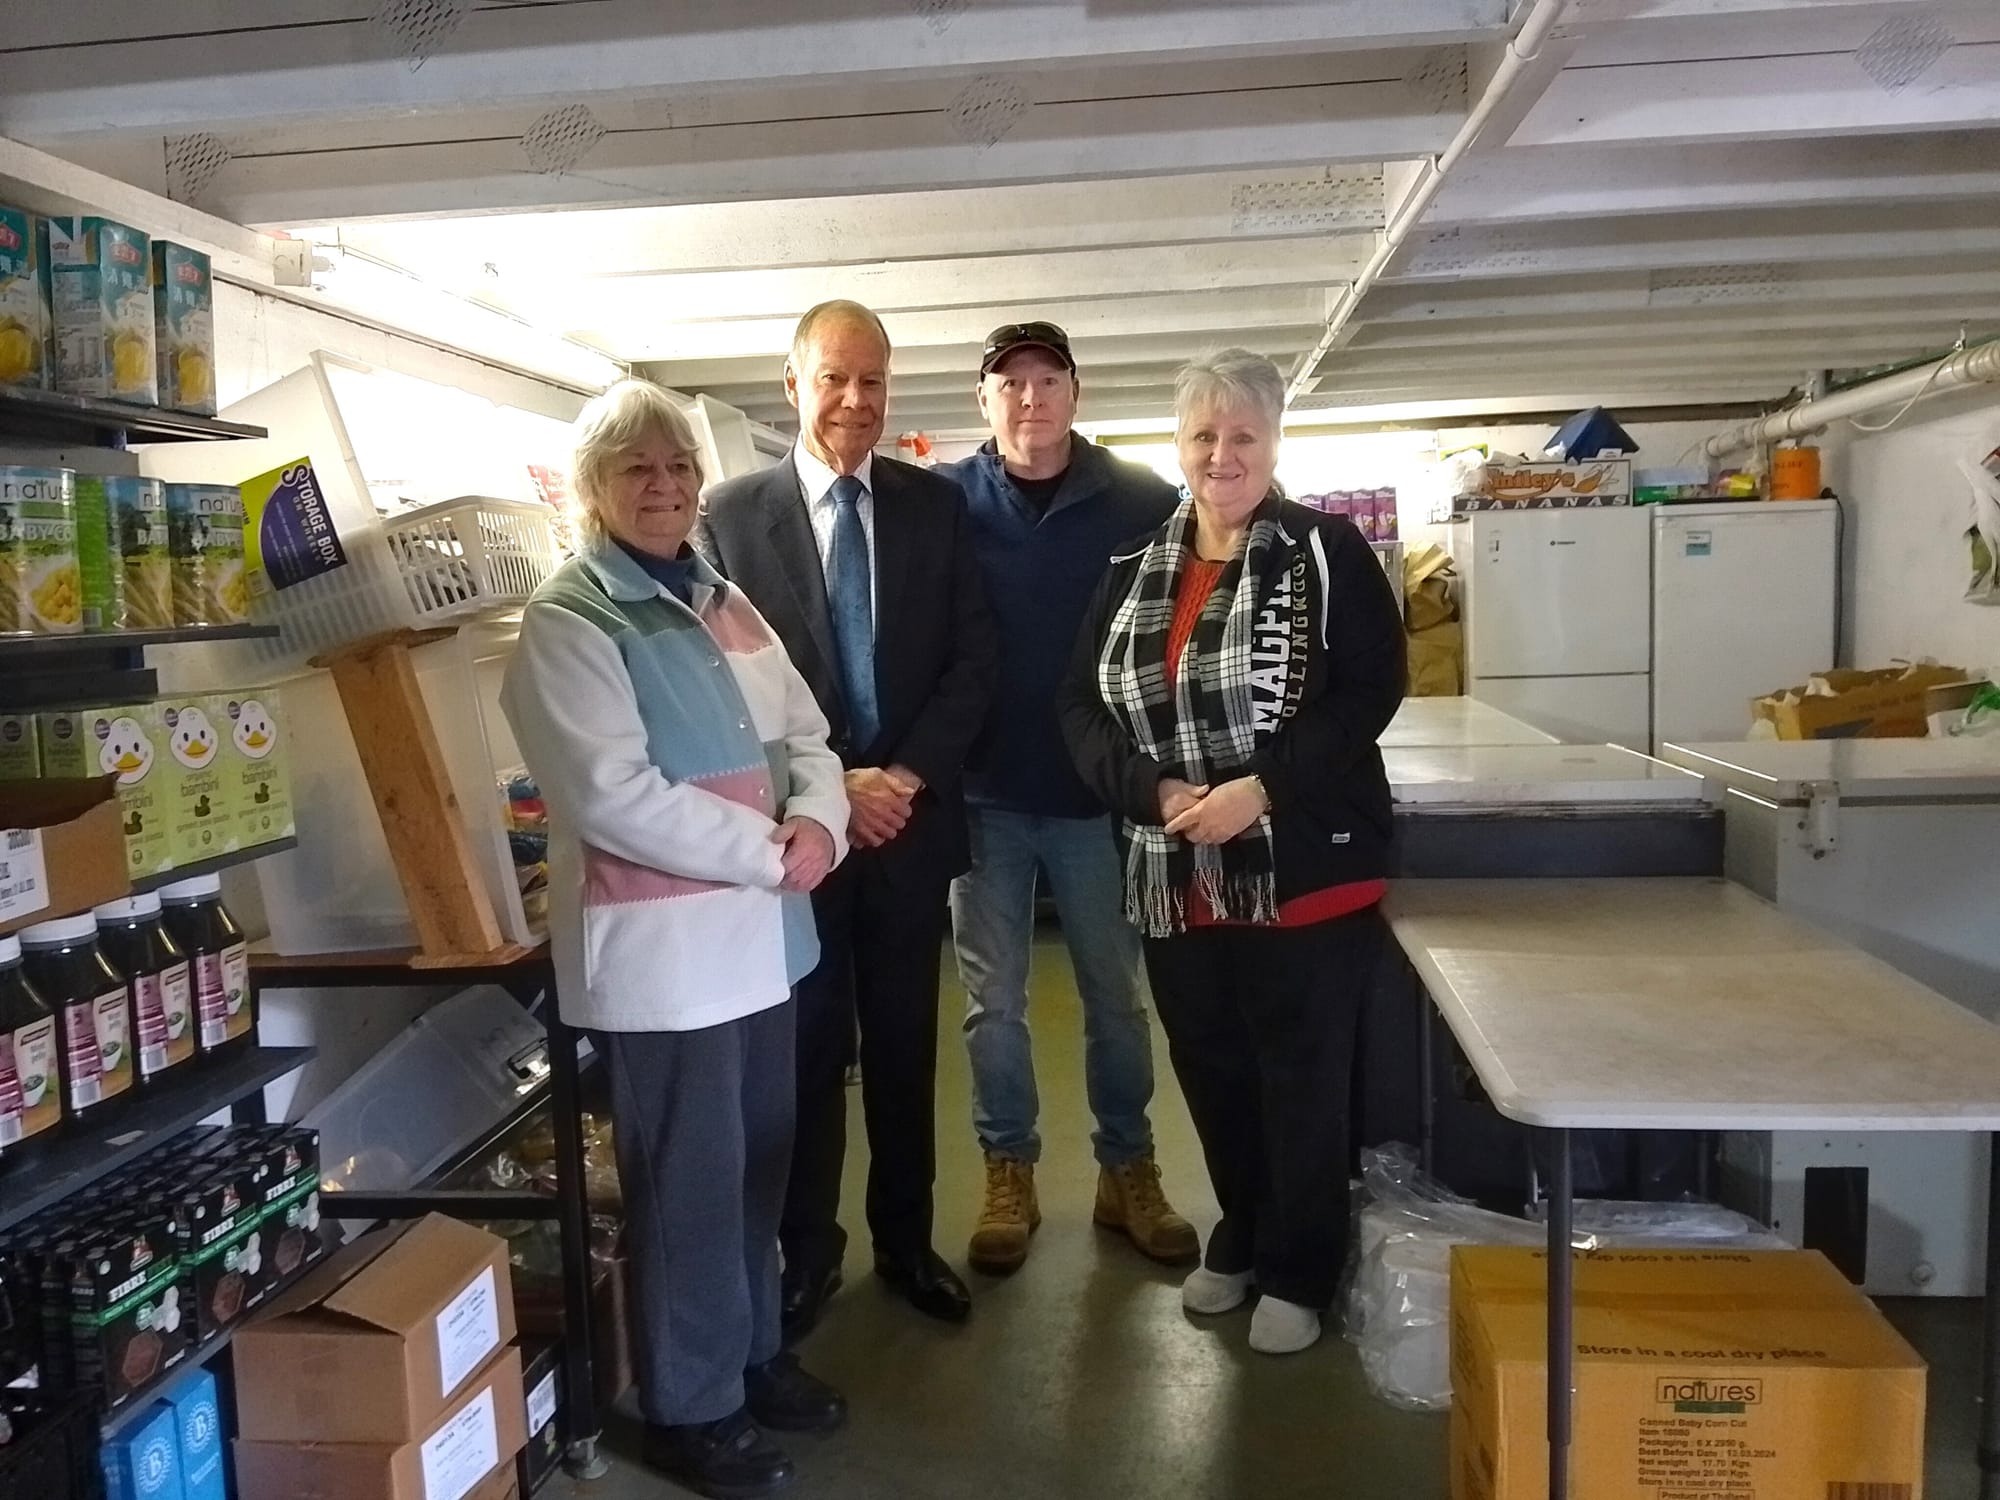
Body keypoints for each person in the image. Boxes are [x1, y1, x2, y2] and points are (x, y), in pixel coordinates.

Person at [501, 380, 852, 1497]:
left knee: (756, 1173)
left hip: (766, 947)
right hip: (669, 970)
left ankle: (748, 1359)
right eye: (636, 471)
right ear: (595, 491)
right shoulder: (569, 621)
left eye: (677, 470)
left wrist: (823, 823)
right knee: (687, 1193)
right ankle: (690, 1408)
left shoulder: (721, 597)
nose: (662, 488)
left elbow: (807, 732)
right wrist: (775, 850)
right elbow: (615, 795)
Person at [1058, 349, 1406, 1355]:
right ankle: (1243, 1236)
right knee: (1209, 1068)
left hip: (1299, 866)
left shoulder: (1322, 550)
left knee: (1298, 1076)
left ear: (1272, 443)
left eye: (1242, 435)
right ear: (1177, 447)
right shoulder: (1132, 568)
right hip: (1176, 871)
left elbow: (1366, 691)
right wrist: (1154, 792)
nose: (1222, 454)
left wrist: (1258, 791)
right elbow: (1076, 706)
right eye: (1203, 435)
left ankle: (1300, 1267)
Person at [699, 300, 999, 1338]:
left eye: (872, 381)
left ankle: (906, 1244)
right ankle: (806, 1252)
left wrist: (900, 778)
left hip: (907, 832)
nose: (854, 402)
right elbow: (725, 687)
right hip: (803, 839)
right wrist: (837, 789)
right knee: (809, 1051)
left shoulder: (936, 507)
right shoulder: (728, 519)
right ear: (792, 387)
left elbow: (972, 664)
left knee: (908, 1047)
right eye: (833, 379)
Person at [943, 321, 1197, 1276]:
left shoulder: (1137, 500)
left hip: (1101, 798)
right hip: (983, 798)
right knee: (990, 1007)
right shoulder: (944, 503)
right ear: (985, 399)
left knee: (1116, 1001)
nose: (1031, 398)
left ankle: (1126, 1169)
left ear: (1076, 394)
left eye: (1050, 380)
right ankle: (1009, 1170)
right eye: (1012, 383)